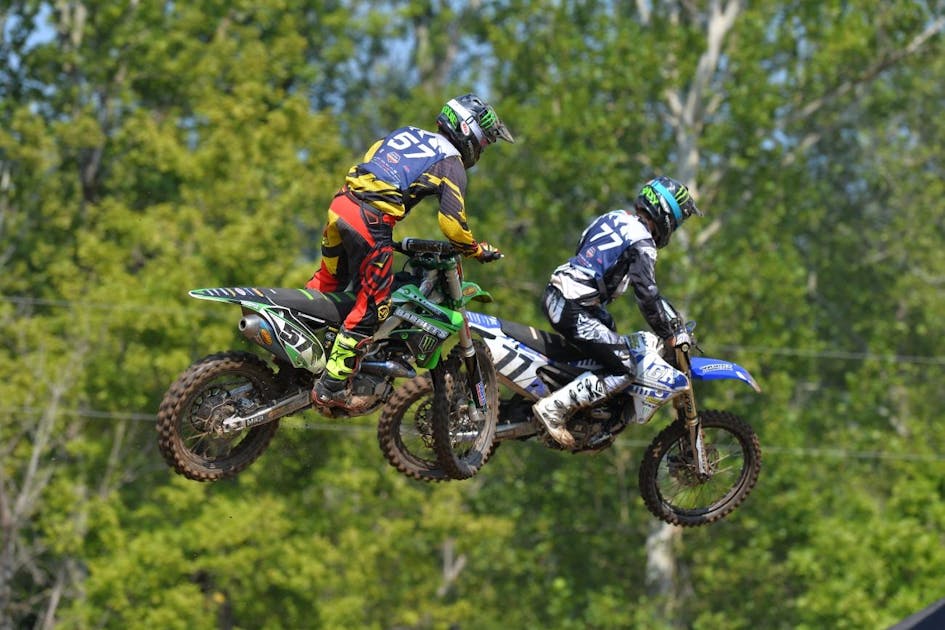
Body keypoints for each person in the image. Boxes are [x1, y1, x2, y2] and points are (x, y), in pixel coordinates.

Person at [308, 93, 514, 408]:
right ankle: (331, 385)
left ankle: (301, 349)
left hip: (342, 205)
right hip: (370, 219)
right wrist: (476, 250)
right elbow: (452, 224)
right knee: (374, 306)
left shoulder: (407, 132)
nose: (483, 148)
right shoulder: (451, 163)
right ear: (468, 129)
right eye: (484, 140)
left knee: (329, 282)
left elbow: (372, 156)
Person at [533, 176, 702, 447]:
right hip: (574, 306)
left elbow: (583, 245)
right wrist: (669, 334)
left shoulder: (614, 217)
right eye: (678, 220)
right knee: (625, 368)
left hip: (559, 293)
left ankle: (585, 413)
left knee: (610, 337)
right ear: (666, 214)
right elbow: (647, 296)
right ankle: (554, 409)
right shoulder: (643, 242)